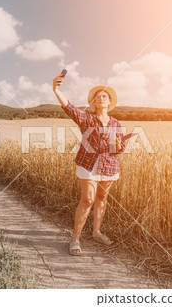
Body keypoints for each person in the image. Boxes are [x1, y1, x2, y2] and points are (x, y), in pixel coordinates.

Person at [52, 73, 132, 256]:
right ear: (94, 102)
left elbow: (119, 148)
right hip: (88, 165)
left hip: (109, 166)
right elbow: (69, 107)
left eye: (104, 95)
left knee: (102, 199)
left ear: (109, 101)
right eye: (97, 96)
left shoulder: (115, 123)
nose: (100, 97)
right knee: (87, 199)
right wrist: (56, 89)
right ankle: (75, 239)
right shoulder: (87, 118)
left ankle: (97, 232)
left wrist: (118, 146)